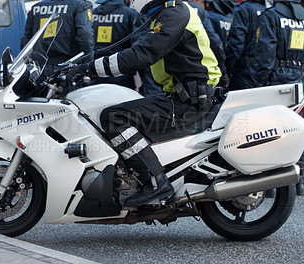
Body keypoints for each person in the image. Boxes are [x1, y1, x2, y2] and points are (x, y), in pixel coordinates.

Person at [66, 0, 221, 206]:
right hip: (181, 97)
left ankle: (156, 182)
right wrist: (81, 63)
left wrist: (90, 70)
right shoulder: (164, 15)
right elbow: (129, 48)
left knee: (113, 118)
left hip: (188, 104)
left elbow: (142, 55)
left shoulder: (175, 14)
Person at [254, 0, 304, 195]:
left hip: (275, 78)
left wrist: (262, 81)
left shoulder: (271, 15)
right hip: (297, 78)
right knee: (295, 127)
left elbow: (265, 52)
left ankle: (271, 182)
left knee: (271, 129)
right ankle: (299, 178)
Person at [20, 0, 94, 80]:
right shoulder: (80, 5)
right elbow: (85, 36)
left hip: (40, 69)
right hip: (68, 69)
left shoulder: (36, 7)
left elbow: (26, 40)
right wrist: (88, 64)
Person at [92, 0, 144, 89]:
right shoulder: (129, 13)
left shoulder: (93, 13)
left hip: (96, 68)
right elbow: (135, 41)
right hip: (120, 69)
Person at [185, 0, 229, 87]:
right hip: (199, 68)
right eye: (204, 2)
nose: (207, 6)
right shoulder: (200, 10)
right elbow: (215, 43)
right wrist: (223, 71)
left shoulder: (167, 8)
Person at [225, 0, 267, 90]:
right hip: (264, 71)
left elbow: (236, 43)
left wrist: (227, 69)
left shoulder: (244, 9)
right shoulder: (270, 10)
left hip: (244, 72)